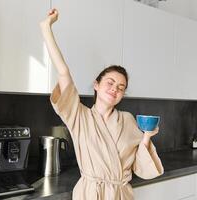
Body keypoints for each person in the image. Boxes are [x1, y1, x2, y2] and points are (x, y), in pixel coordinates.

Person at [40, 8, 164, 200]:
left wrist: (147, 137)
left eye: (121, 87)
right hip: (90, 194)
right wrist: (47, 27)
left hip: (121, 194)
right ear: (96, 85)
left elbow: (140, 167)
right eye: (110, 83)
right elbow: (64, 72)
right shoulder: (79, 116)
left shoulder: (128, 120)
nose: (115, 89)